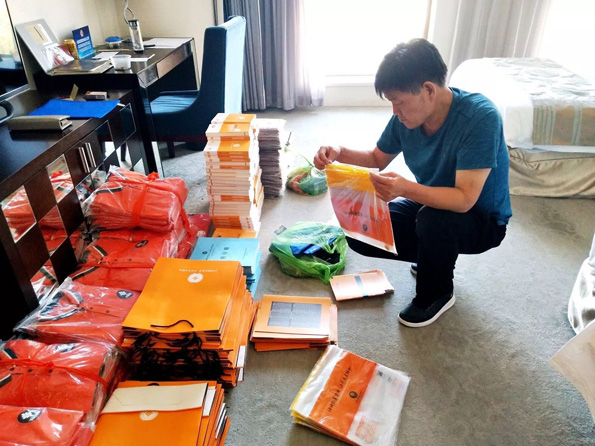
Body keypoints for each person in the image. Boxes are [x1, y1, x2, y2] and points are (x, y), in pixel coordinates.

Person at [314, 38, 512, 328]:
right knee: (360, 228)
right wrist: (338, 151)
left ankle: (437, 293)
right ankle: (435, 256)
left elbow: (464, 199)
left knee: (433, 222)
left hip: (482, 219)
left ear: (428, 90)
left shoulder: (480, 118)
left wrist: (405, 188)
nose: (395, 111)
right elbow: (377, 157)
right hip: (429, 205)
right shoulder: (407, 118)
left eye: (399, 101)